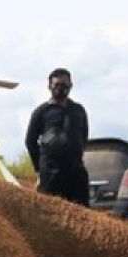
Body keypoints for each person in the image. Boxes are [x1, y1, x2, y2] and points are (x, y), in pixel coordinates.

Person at [25, 68, 90, 205]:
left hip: (76, 171)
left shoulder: (78, 110)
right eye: (57, 85)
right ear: (50, 86)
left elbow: (83, 137)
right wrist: (40, 169)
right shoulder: (41, 111)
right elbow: (30, 141)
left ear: (71, 86)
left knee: (82, 211)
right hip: (51, 172)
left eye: (65, 85)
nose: (61, 88)